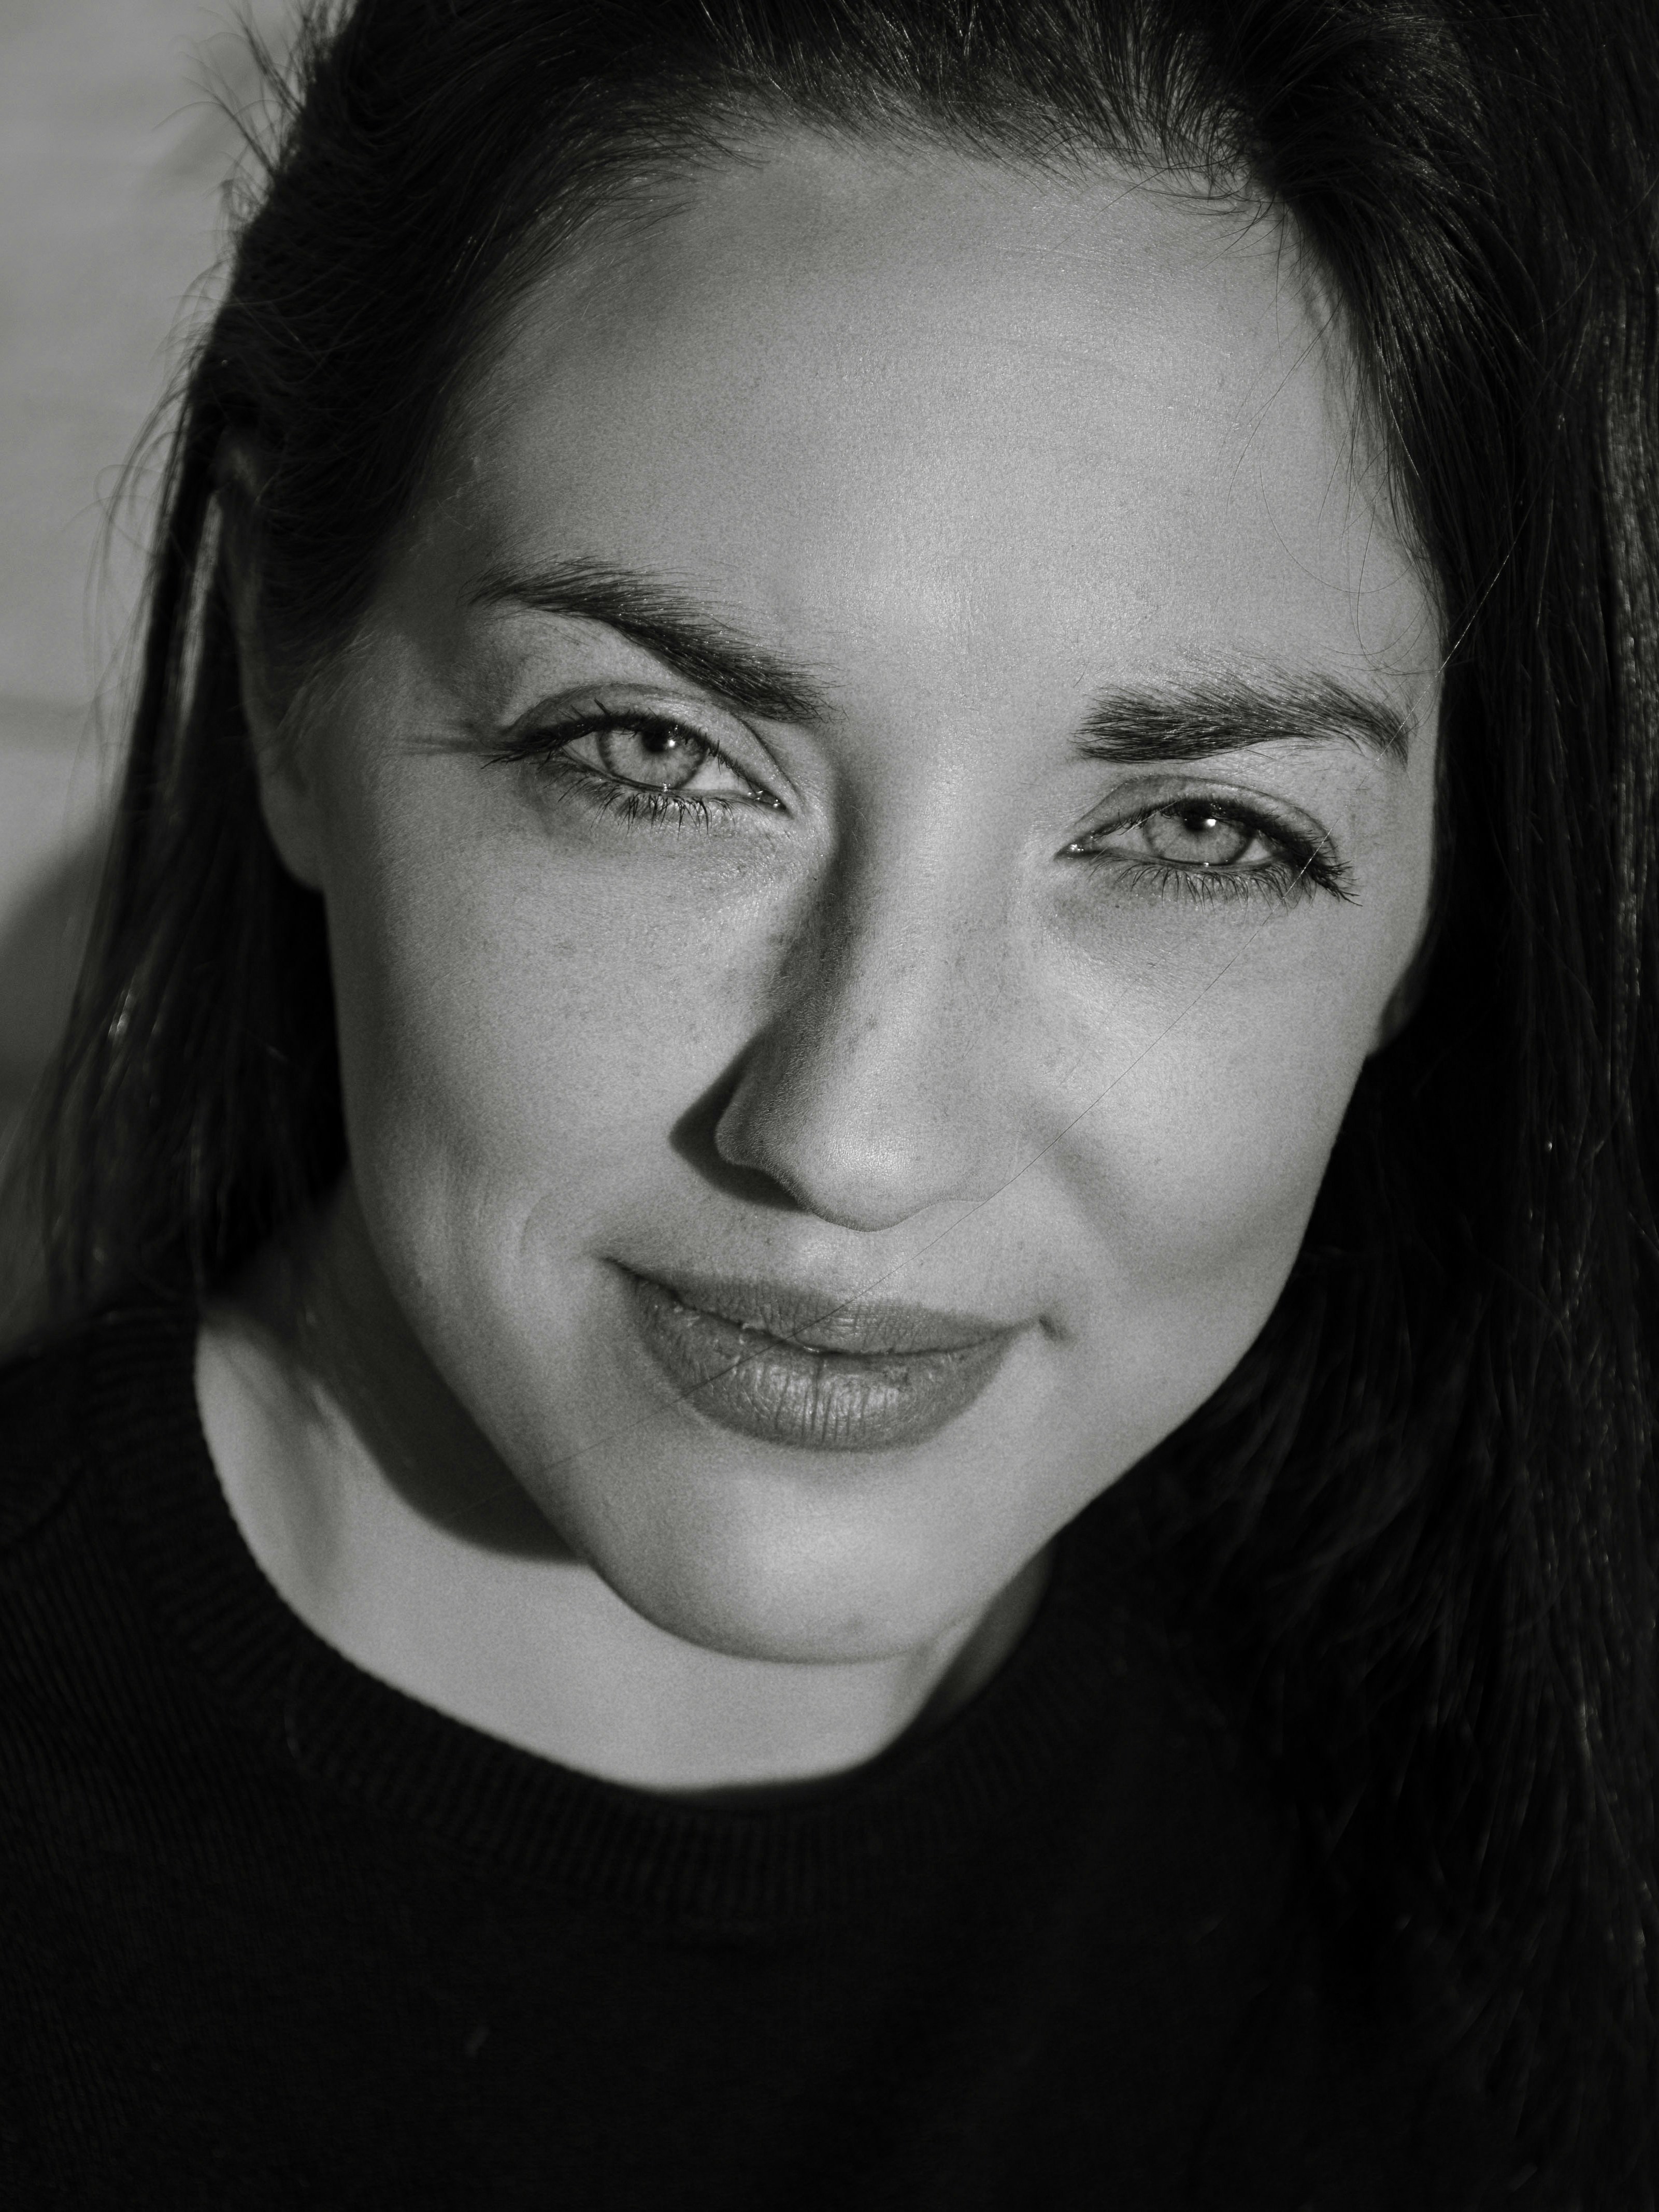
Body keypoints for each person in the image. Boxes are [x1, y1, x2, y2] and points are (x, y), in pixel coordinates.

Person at [1, 0, 1653, 2202]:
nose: (856, 1138)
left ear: (1441, 904)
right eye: (653, 753)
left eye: (1200, 836)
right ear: (287, 688)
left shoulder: (1523, 1867)